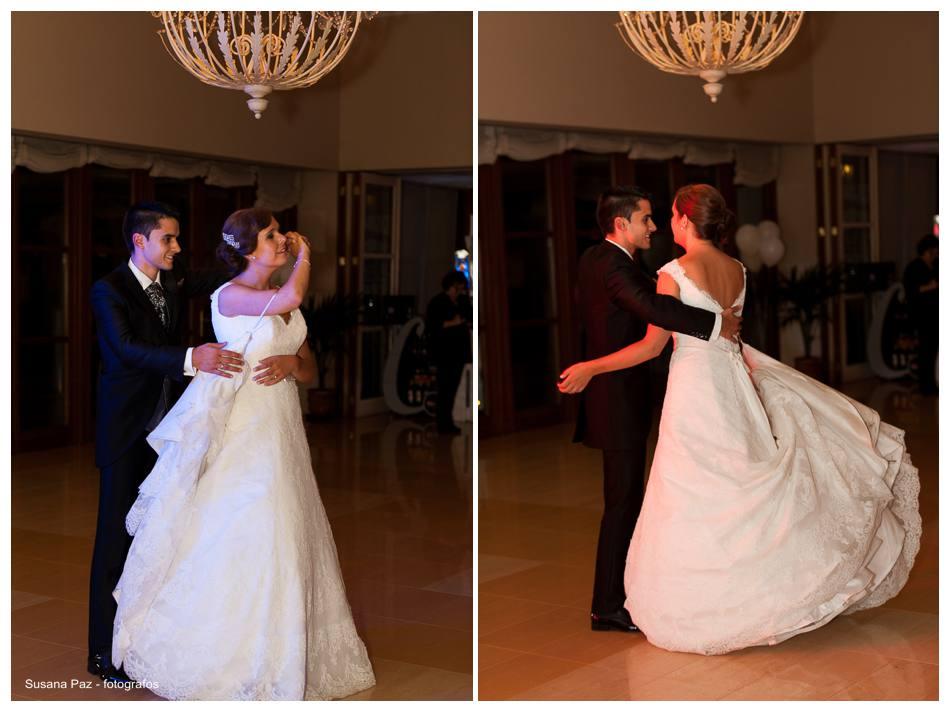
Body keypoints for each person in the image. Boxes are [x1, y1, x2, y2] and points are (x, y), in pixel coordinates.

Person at [559, 184, 921, 655]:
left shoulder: (671, 271)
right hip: (731, 390)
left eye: (667, 215)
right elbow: (723, 331)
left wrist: (591, 366)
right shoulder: (738, 270)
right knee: (741, 481)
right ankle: (762, 588)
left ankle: (703, 602)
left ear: (686, 222)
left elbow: (651, 345)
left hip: (693, 392)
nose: (662, 223)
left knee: (695, 494)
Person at [111, 208, 375, 699]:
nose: (282, 241)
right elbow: (294, 293)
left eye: (280, 234)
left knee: (289, 528)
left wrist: (293, 360)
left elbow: (311, 370)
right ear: (248, 249)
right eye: (272, 236)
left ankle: (283, 648)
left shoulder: (284, 307)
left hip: (283, 432)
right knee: (250, 524)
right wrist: (307, 256)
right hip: (245, 431)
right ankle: (226, 652)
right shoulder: (231, 295)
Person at [567, 186, 742, 634]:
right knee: (623, 503)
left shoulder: (606, 261)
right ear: (621, 224)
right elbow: (649, 307)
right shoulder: (612, 265)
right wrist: (716, 322)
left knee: (628, 501)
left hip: (627, 395)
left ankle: (620, 597)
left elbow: (649, 305)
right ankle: (607, 606)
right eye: (646, 218)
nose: (653, 226)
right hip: (617, 398)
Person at [88, 202, 241, 683]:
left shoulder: (172, 280)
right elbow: (128, 349)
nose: (177, 248)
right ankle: (102, 655)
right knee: (116, 541)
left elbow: (224, 278)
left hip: (169, 433)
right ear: (140, 241)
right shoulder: (107, 290)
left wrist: (264, 253)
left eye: (176, 239)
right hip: (127, 431)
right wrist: (194, 357)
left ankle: (146, 647)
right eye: (168, 239)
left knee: (158, 539)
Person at [425, 269, 472, 434]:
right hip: (445, 353)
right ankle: (442, 422)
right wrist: (453, 322)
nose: (459, 291)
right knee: (444, 387)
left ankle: (448, 421)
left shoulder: (461, 302)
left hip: (458, 352)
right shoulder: (438, 303)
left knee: (452, 387)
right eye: (457, 288)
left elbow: (470, 318)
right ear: (451, 286)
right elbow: (433, 326)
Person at [903, 234, 938, 395]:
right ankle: (926, 386)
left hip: (934, 315)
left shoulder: (934, 266)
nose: (936, 254)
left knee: (933, 351)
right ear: (927, 251)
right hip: (923, 317)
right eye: (934, 251)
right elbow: (911, 291)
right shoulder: (914, 268)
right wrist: (930, 287)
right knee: (926, 350)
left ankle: (932, 383)